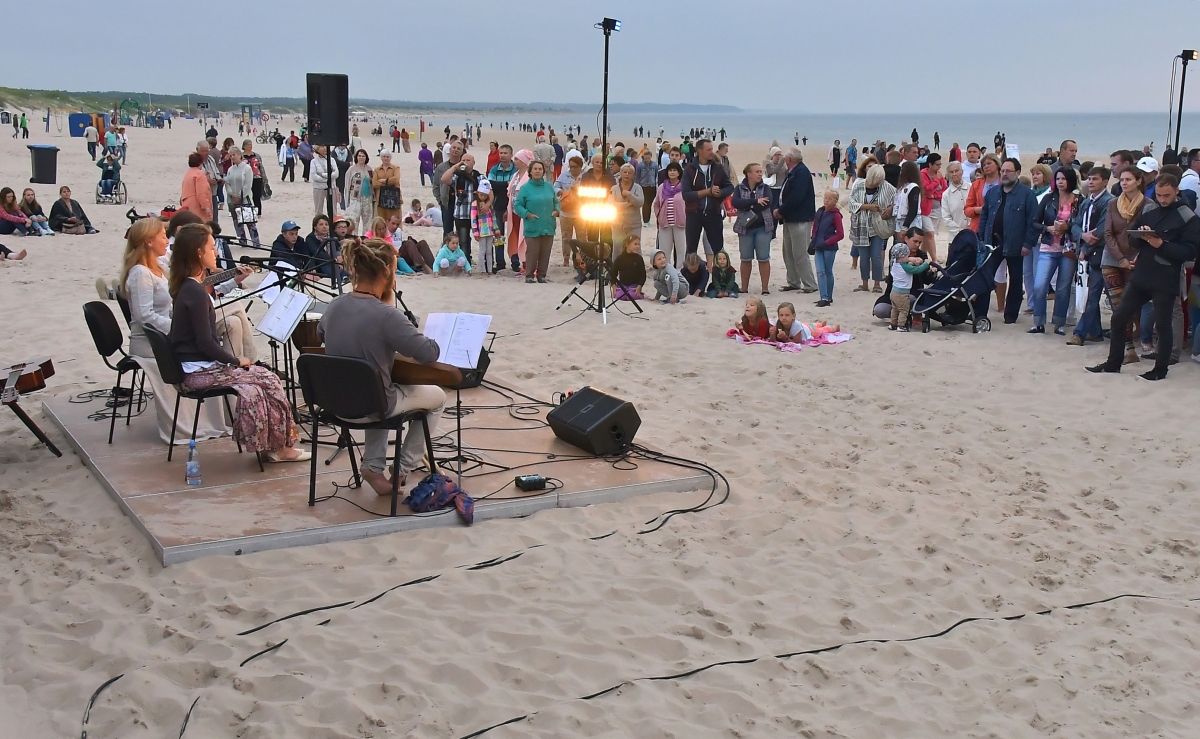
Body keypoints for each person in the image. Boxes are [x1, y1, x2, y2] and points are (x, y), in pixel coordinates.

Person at [168, 223, 307, 461]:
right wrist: (235, 360)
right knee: (269, 379)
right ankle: (281, 448)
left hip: (196, 367)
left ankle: (273, 446)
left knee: (264, 380)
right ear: (198, 253)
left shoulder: (189, 286)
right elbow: (205, 344)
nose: (216, 252)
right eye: (211, 248)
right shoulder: (195, 292)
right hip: (196, 372)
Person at [317, 237, 445, 494]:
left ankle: (373, 467)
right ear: (387, 271)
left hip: (335, 403)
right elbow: (428, 353)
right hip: (373, 406)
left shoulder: (335, 305)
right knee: (437, 398)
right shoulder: (387, 315)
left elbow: (321, 334)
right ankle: (401, 470)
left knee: (378, 385)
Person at [1089, 175, 1200, 380]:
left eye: (1167, 195)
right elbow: (1131, 240)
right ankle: (1113, 363)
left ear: (1176, 191)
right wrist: (1141, 235)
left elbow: (1190, 252)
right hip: (1142, 274)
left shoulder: (1187, 216)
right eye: (1159, 195)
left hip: (1166, 277)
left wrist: (1162, 244)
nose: (1162, 199)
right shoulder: (1149, 209)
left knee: (1163, 325)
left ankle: (1160, 370)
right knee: (1119, 317)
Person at [977, 158, 1038, 325]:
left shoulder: (1027, 195)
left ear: (1017, 173)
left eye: (1008, 171)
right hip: (992, 244)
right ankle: (980, 313)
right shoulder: (993, 193)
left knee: (1016, 280)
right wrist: (981, 238)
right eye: (1002, 171)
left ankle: (1011, 316)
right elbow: (984, 216)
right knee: (985, 278)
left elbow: (1033, 222)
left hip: (1016, 245)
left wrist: (1028, 244)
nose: (1004, 174)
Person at [1102, 166, 1146, 364]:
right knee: (1117, 307)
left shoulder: (1148, 204)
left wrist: (1136, 257)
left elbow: (1148, 234)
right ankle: (1128, 350)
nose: (1124, 183)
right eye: (1122, 180)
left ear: (1138, 181)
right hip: (1112, 259)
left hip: (1136, 259)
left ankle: (1138, 343)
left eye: (1128, 179)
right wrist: (1120, 258)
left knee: (1131, 306)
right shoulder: (1113, 203)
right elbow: (1108, 233)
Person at [1029, 167, 1081, 334]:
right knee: (1039, 286)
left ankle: (1059, 323)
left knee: (1063, 288)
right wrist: (1047, 228)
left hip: (1068, 249)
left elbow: (1082, 223)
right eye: (1058, 179)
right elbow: (1035, 221)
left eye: (1063, 179)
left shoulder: (1079, 200)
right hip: (1048, 247)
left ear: (1070, 180)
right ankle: (1038, 322)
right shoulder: (1049, 198)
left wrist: (1068, 227)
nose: (1060, 182)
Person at [1067, 167, 1114, 346]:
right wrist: (1082, 236)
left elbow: (1101, 231)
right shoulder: (1086, 202)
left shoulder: (1109, 202)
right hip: (1085, 252)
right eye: (1089, 179)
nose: (1091, 182)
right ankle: (1095, 331)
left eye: (1095, 179)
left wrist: (1086, 247)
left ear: (1105, 182)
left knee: (1093, 294)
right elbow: (1075, 224)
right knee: (1087, 292)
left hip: (1100, 254)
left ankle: (1080, 333)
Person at [681, 139, 734, 267]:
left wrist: (720, 193)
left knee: (718, 249)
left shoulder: (718, 168)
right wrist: (707, 191)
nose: (712, 152)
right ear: (699, 151)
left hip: (713, 212)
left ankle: (721, 276)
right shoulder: (689, 169)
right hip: (694, 213)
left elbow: (730, 187)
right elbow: (686, 195)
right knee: (691, 249)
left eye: (712, 149)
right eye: (708, 149)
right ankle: (690, 276)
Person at [848, 163, 895, 293]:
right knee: (864, 257)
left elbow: (896, 200)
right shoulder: (858, 185)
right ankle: (864, 283)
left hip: (878, 227)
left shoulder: (887, 187)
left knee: (876, 256)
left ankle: (877, 284)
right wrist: (866, 207)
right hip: (861, 226)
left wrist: (890, 209)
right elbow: (851, 203)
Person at [776, 148, 818, 293]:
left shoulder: (801, 172)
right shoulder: (793, 172)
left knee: (800, 253)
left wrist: (781, 210)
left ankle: (810, 284)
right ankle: (793, 281)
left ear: (789, 159)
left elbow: (796, 196)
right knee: (788, 252)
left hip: (800, 218)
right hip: (790, 218)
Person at [731, 162, 775, 295]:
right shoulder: (739, 188)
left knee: (763, 258)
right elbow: (735, 202)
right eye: (757, 171)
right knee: (745, 258)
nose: (760, 174)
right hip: (745, 228)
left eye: (761, 172)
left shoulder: (765, 187)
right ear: (749, 174)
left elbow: (767, 203)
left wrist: (747, 206)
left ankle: (765, 288)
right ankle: (744, 287)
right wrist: (754, 201)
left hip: (763, 227)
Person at [513, 160, 558, 283]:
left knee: (545, 252)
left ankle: (541, 275)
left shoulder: (549, 187)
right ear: (530, 171)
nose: (538, 171)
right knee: (532, 252)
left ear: (543, 171)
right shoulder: (525, 188)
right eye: (535, 169)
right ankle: (529, 275)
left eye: (540, 169)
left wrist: (556, 211)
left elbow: (556, 201)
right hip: (533, 225)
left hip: (548, 224)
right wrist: (527, 215)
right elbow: (518, 205)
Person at [889, 228, 932, 331]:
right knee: (903, 310)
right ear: (906, 239)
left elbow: (926, 279)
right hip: (902, 293)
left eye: (920, 242)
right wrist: (925, 264)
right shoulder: (905, 266)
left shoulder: (895, 263)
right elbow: (916, 270)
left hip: (894, 292)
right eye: (915, 241)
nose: (917, 245)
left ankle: (892, 324)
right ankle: (901, 326)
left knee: (895, 309)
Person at [443, 152, 481, 262]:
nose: (465, 162)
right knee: (463, 241)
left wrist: (487, 204)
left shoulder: (479, 177)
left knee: (483, 240)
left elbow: (489, 192)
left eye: (468, 160)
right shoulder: (457, 177)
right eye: (463, 160)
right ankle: (465, 262)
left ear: (473, 163)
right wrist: (456, 166)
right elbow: (444, 179)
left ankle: (486, 263)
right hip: (461, 214)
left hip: (477, 214)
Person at [811, 190, 844, 307]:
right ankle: (823, 297)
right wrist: (813, 238)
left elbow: (840, 234)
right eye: (825, 198)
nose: (826, 200)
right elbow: (815, 227)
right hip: (818, 245)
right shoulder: (820, 212)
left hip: (829, 247)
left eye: (830, 199)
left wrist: (828, 242)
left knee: (828, 271)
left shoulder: (836, 215)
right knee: (820, 271)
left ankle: (828, 297)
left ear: (835, 201)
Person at [553, 150, 585, 267]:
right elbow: (555, 186)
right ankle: (566, 259)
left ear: (580, 167)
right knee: (566, 237)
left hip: (581, 212)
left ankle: (582, 258)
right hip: (566, 212)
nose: (572, 169)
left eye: (575, 167)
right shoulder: (564, 175)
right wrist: (561, 192)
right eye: (571, 167)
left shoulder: (585, 176)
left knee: (582, 237)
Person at [224, 149, 260, 247]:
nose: (232, 157)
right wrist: (231, 194)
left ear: (240, 155)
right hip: (232, 200)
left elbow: (248, 184)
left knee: (250, 222)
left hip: (245, 199)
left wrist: (240, 196)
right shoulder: (230, 169)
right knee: (237, 223)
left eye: (234, 155)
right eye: (231, 155)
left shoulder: (247, 168)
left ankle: (256, 243)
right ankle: (242, 242)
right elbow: (227, 183)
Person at [919, 153, 947, 263]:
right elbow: (927, 190)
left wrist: (935, 195)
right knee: (929, 233)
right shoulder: (923, 174)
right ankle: (934, 259)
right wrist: (936, 181)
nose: (939, 167)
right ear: (930, 164)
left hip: (937, 208)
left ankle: (922, 255)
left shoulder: (939, 175)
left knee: (929, 235)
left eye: (940, 164)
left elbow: (945, 190)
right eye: (937, 164)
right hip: (925, 209)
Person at [611, 162, 644, 250]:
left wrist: (629, 194)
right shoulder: (614, 188)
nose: (627, 174)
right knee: (617, 249)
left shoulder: (638, 188)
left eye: (629, 173)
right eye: (625, 172)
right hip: (617, 225)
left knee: (635, 248)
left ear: (633, 175)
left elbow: (640, 203)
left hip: (634, 225)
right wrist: (627, 204)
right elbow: (612, 205)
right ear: (620, 173)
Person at [471, 178, 498, 273]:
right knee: (482, 251)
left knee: (489, 251)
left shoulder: (489, 204)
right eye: (481, 195)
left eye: (485, 195)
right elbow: (473, 219)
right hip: (481, 232)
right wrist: (475, 232)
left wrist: (496, 228)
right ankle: (483, 270)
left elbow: (493, 217)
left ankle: (489, 270)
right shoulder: (475, 204)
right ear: (478, 193)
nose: (483, 197)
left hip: (490, 231)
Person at [892, 162, 922, 244]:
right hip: (899, 221)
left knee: (909, 247)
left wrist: (905, 227)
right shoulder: (902, 187)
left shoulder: (913, 187)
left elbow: (913, 209)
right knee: (899, 247)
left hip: (910, 222)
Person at [344, 149, 374, 228]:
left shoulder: (369, 169)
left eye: (363, 156)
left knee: (368, 221)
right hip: (355, 199)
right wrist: (347, 201)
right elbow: (347, 185)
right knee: (354, 221)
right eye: (359, 156)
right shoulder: (351, 169)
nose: (361, 158)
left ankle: (366, 235)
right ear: (356, 157)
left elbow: (373, 184)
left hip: (367, 199)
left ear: (366, 157)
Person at [180, 152, 214, 221]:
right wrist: (206, 207)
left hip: (186, 205)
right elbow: (201, 192)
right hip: (197, 206)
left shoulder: (188, 173)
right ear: (200, 163)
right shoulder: (199, 174)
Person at [941, 162, 969, 244]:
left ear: (962, 172)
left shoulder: (971, 188)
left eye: (956, 171)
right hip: (955, 238)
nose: (954, 174)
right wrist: (960, 231)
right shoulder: (946, 195)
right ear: (948, 175)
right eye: (951, 172)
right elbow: (946, 217)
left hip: (974, 234)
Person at [372, 152, 402, 225]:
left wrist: (384, 181)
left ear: (390, 158)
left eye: (388, 157)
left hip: (394, 198)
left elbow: (396, 179)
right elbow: (375, 183)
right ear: (381, 158)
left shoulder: (396, 168)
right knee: (382, 221)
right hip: (381, 199)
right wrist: (389, 183)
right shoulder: (377, 170)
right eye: (384, 156)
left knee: (395, 220)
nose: (386, 158)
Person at [635, 149, 659, 227]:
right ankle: (646, 220)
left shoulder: (655, 165)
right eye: (646, 158)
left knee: (650, 203)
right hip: (643, 186)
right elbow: (637, 176)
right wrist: (637, 187)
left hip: (652, 186)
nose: (647, 159)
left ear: (651, 157)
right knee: (645, 204)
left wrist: (656, 185)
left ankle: (647, 219)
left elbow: (656, 175)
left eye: (648, 158)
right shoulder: (640, 165)